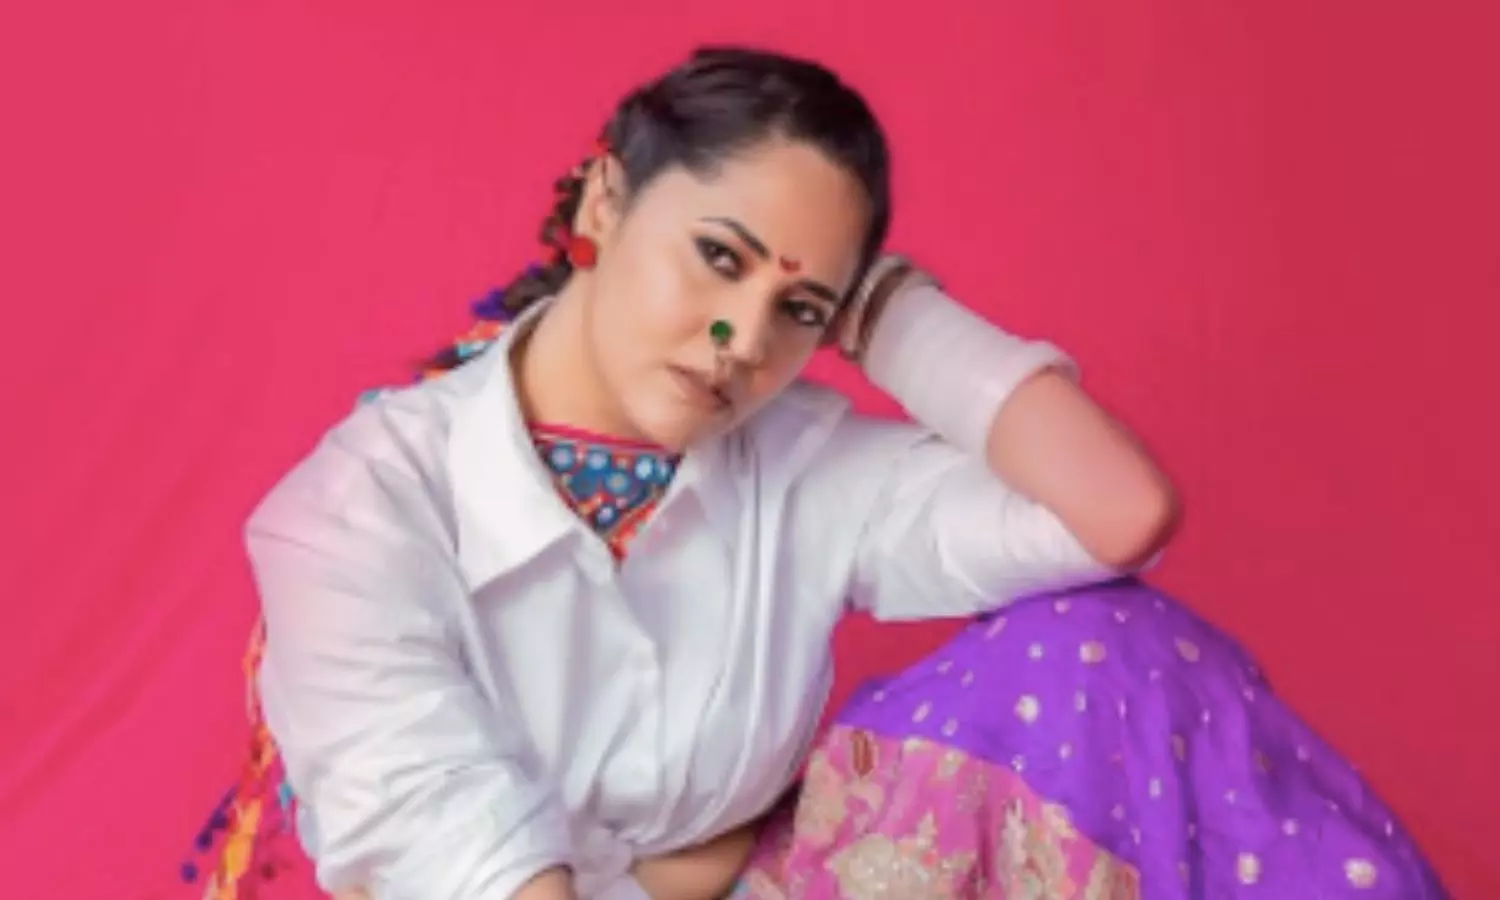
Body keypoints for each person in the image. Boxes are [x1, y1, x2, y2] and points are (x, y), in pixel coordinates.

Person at [182, 46, 1447, 900]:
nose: (741, 341)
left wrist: (888, 312)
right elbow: (459, 850)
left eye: (799, 309)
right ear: (607, 202)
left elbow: (1118, 515)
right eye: (718, 258)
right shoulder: (358, 512)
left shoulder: (798, 464)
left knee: (1103, 648)